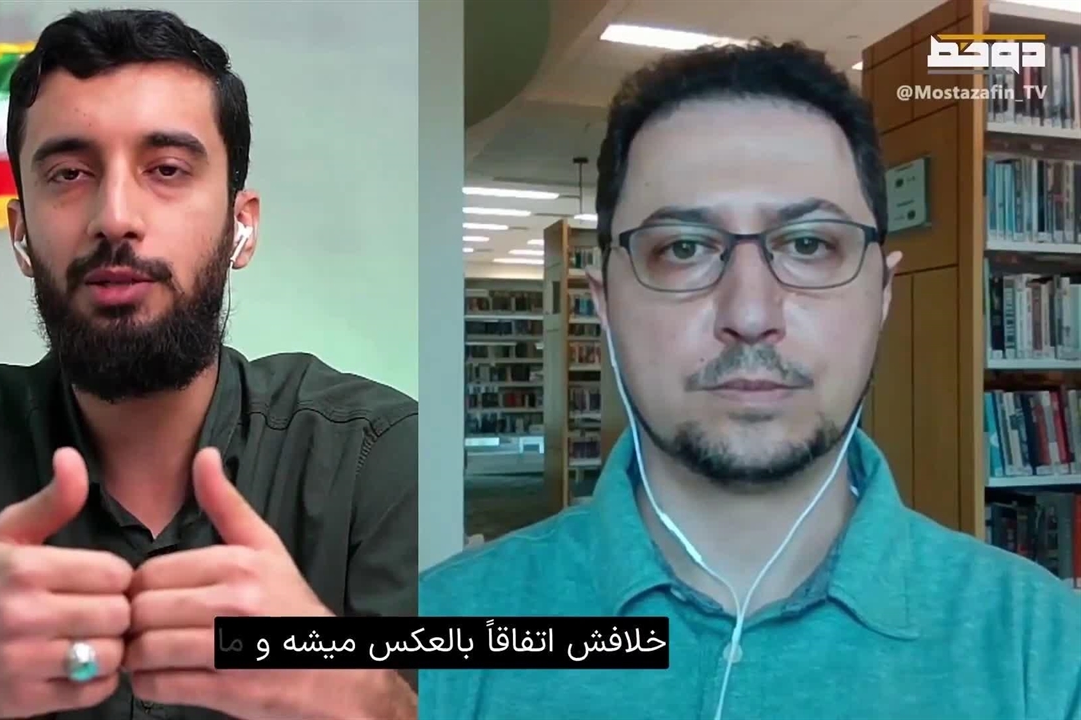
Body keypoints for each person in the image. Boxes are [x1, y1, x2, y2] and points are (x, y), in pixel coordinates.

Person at [420, 41, 1081, 720]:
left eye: (809, 244)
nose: (751, 314)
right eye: (683, 248)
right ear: (605, 302)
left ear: (882, 294)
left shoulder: (1051, 652)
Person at [0, 9, 418, 720]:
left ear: (241, 224)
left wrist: (338, 684)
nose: (115, 216)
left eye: (167, 170)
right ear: (21, 233)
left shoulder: (379, 457)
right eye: (69, 173)